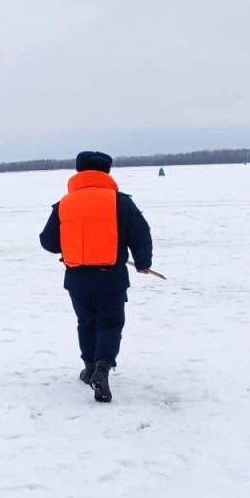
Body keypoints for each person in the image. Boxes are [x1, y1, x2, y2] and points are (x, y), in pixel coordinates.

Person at [39, 151, 153, 403]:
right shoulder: (120, 202)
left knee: (86, 322)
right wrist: (143, 262)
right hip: (111, 276)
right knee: (110, 324)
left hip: (77, 278)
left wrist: (72, 240)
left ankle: (90, 367)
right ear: (107, 173)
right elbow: (141, 232)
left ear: (78, 171)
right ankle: (102, 367)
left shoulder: (64, 204)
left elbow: (48, 242)